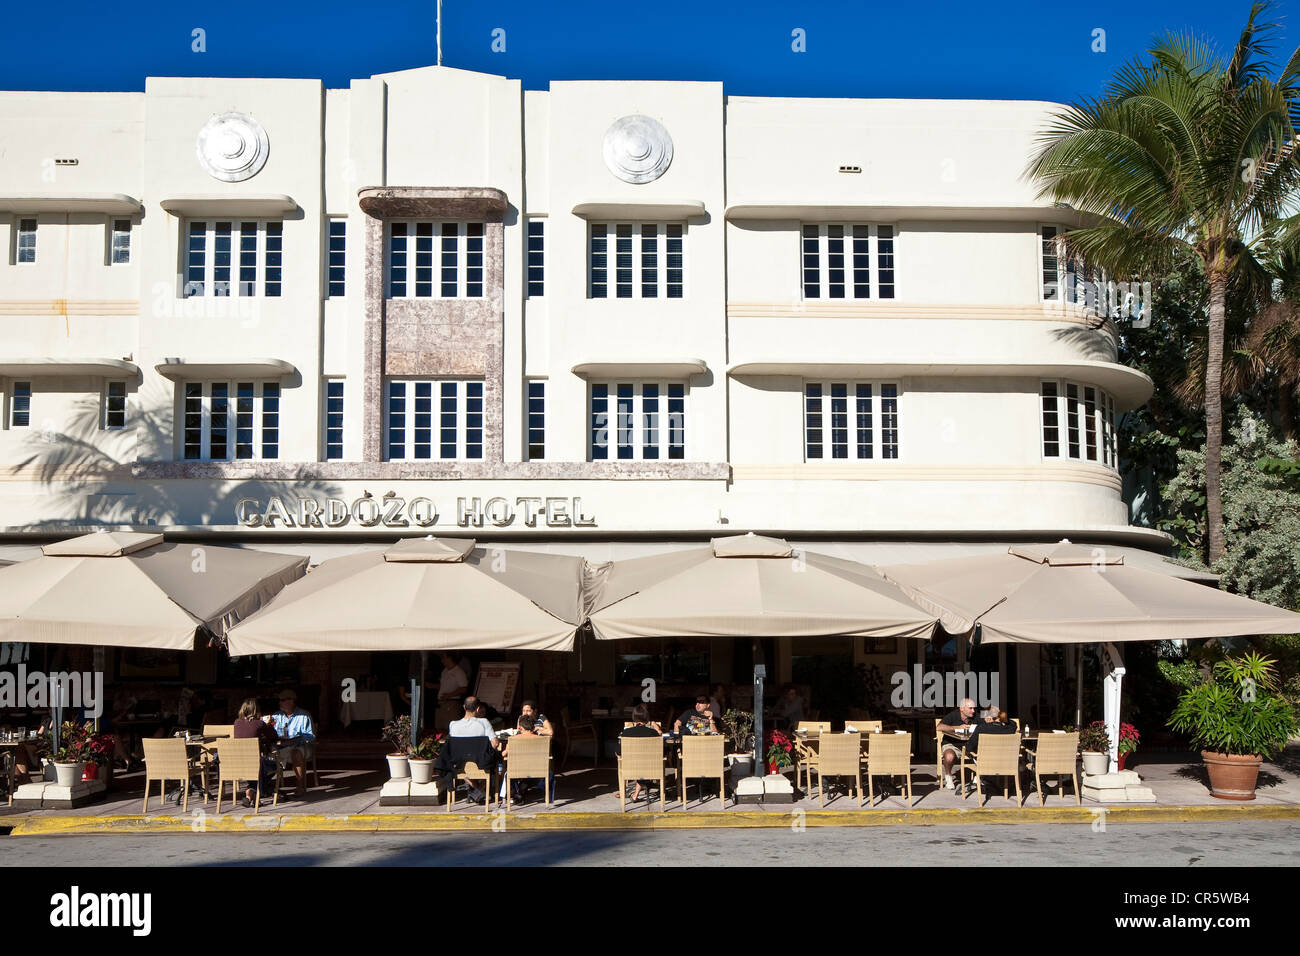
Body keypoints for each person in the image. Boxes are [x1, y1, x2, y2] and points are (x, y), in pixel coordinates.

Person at [447, 696, 501, 803]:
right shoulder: (484, 722)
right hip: (481, 763)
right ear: (477, 709)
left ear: (464, 707)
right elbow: (495, 744)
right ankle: (480, 790)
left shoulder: (453, 725)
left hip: (459, 765)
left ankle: (477, 790)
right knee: (497, 761)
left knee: (461, 767)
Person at [265, 689, 315, 798]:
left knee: (296, 752)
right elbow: (265, 727)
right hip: (282, 746)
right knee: (265, 755)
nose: (280, 703)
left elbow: (310, 736)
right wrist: (268, 727)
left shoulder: (303, 715)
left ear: (291, 701)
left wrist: (295, 741)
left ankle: (300, 786)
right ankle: (263, 786)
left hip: (301, 746)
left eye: (282, 700)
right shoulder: (276, 716)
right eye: (279, 700)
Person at [232, 698, 279, 807]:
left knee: (257, 766)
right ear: (257, 710)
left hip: (240, 763)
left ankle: (250, 793)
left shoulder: (236, 723)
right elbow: (273, 736)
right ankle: (255, 791)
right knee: (274, 766)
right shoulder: (259, 724)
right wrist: (269, 724)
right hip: (256, 764)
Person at [498, 715, 555, 803]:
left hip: (518, 771)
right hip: (538, 772)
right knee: (532, 775)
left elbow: (505, 753)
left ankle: (515, 794)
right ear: (533, 726)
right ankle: (520, 793)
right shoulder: (542, 739)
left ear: (520, 727)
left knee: (507, 774)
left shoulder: (513, 739)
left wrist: (503, 752)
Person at [618, 705, 663, 802]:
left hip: (630, 768)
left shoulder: (625, 733)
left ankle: (634, 794)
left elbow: (618, 752)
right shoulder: (653, 733)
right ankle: (660, 787)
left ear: (634, 718)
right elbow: (661, 749)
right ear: (647, 718)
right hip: (651, 767)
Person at [937, 697, 979, 790]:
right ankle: (948, 776)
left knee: (985, 752)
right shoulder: (953, 715)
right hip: (952, 744)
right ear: (962, 708)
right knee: (949, 756)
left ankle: (979, 777)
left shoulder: (976, 716)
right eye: (970, 708)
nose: (973, 710)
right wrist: (958, 728)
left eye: (974, 708)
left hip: (970, 744)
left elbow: (985, 726)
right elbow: (939, 727)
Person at [435, 653, 469, 730]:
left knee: (451, 727)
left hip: (452, 703)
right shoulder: (444, 671)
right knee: (440, 727)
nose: (442, 660)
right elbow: (443, 686)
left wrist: (449, 695)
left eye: (444, 658)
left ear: (450, 658)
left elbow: (464, 688)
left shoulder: (459, 672)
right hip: (441, 703)